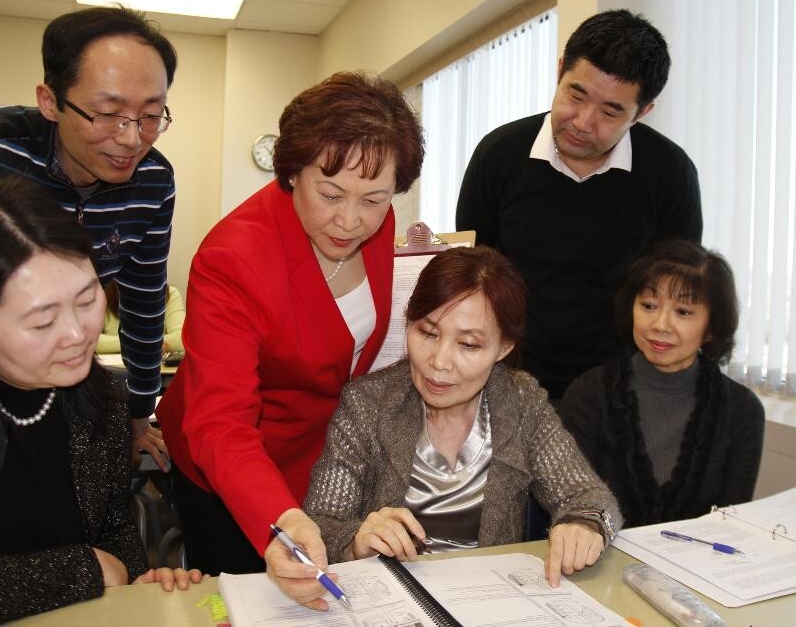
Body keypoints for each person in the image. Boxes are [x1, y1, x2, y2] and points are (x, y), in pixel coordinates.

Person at [156, 72, 425, 602]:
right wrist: (276, 517)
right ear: (291, 172)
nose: (350, 220)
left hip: (318, 454)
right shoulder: (233, 259)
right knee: (252, 601)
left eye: (374, 199)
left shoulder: (378, 219)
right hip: (232, 468)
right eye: (330, 194)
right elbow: (220, 422)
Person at [0, 180, 202, 625]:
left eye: (87, 299)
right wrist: (87, 570)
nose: (79, 335)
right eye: (42, 322)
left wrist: (140, 582)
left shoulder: (97, 395)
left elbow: (114, 526)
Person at [0, 6, 177, 468]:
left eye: (151, 115)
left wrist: (138, 415)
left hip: (41, 365)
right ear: (50, 101)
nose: (132, 139)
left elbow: (145, 303)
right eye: (108, 113)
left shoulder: (154, 181)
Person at [303, 246, 622, 591]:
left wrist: (585, 523)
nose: (439, 361)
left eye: (468, 345)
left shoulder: (520, 402)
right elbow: (321, 522)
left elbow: (588, 495)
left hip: (489, 605)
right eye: (427, 332)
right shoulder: (368, 404)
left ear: (503, 348)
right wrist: (356, 541)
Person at [456, 9, 702, 402]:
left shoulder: (670, 173)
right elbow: (472, 273)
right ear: (559, 73)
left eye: (610, 111)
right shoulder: (499, 154)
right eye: (576, 94)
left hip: (618, 393)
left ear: (642, 112)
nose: (583, 122)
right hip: (507, 383)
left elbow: (675, 292)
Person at [559, 239, 764, 528]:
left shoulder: (742, 411)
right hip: (598, 562)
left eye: (683, 312)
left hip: (697, 567)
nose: (660, 324)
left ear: (711, 328)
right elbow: (569, 503)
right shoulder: (588, 394)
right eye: (649, 305)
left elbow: (731, 523)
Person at [97, 282, 185, 357]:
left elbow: (181, 338)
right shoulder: (102, 295)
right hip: (115, 372)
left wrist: (135, 344)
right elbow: (91, 340)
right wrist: (144, 344)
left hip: (158, 371)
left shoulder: (170, 294)